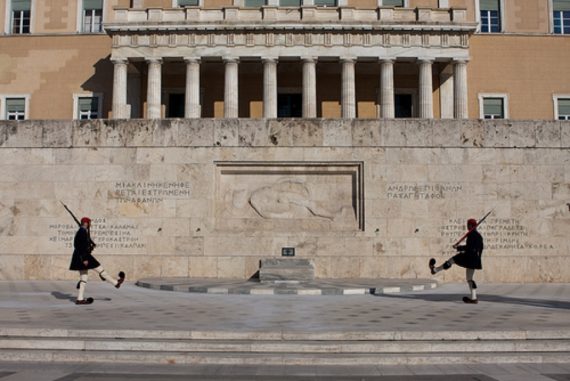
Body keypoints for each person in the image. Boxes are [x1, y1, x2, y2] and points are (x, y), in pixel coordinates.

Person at [69, 217, 125, 305]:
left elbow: (82, 245)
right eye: (89, 223)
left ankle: (79, 299)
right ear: (86, 223)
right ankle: (115, 283)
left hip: (81, 257)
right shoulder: (82, 232)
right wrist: (84, 259)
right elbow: (79, 246)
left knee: (83, 279)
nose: (90, 225)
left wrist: (90, 247)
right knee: (100, 269)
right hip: (84, 258)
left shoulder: (82, 231)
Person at [429, 218, 484, 304]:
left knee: (452, 260)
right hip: (475, 259)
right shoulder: (479, 236)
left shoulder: (471, 235)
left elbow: (469, 248)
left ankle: (435, 270)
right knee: (469, 279)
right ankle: (474, 298)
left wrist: (458, 248)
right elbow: (480, 249)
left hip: (468, 257)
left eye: (468, 225)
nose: (467, 226)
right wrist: (478, 259)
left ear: (470, 225)